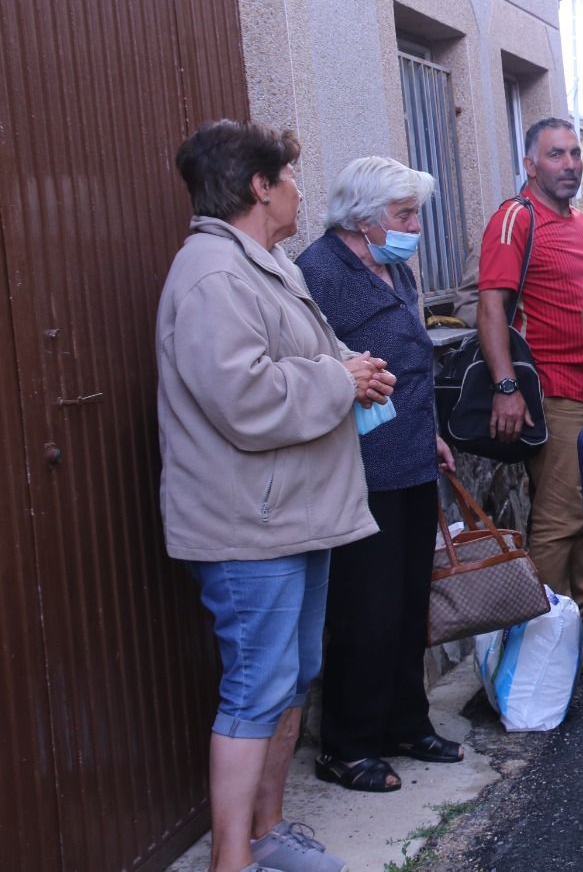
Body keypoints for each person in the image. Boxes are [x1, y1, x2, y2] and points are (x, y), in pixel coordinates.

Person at [157, 120, 392, 872]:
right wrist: (337, 379)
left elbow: (301, 357)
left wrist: (354, 370)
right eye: (289, 177)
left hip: (293, 514)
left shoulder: (264, 264)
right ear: (260, 186)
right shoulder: (212, 275)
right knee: (256, 688)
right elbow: (245, 398)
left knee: (291, 678)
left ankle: (268, 832)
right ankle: (232, 859)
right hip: (248, 525)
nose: (297, 190)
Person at [297, 156, 463, 793]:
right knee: (365, 609)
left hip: (412, 455)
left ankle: (405, 723)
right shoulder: (319, 272)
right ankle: (348, 745)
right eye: (404, 214)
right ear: (363, 218)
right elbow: (316, 369)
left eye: (415, 213)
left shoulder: (395, 268)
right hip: (361, 469)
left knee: (408, 602)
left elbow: (412, 360)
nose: (415, 226)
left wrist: (433, 435)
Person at [477, 116, 583, 673]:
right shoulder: (515, 219)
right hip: (554, 393)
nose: (569, 164)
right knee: (558, 523)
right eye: (555, 155)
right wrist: (506, 387)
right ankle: (547, 646)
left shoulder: (582, 224)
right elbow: (491, 309)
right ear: (530, 164)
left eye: (574, 153)